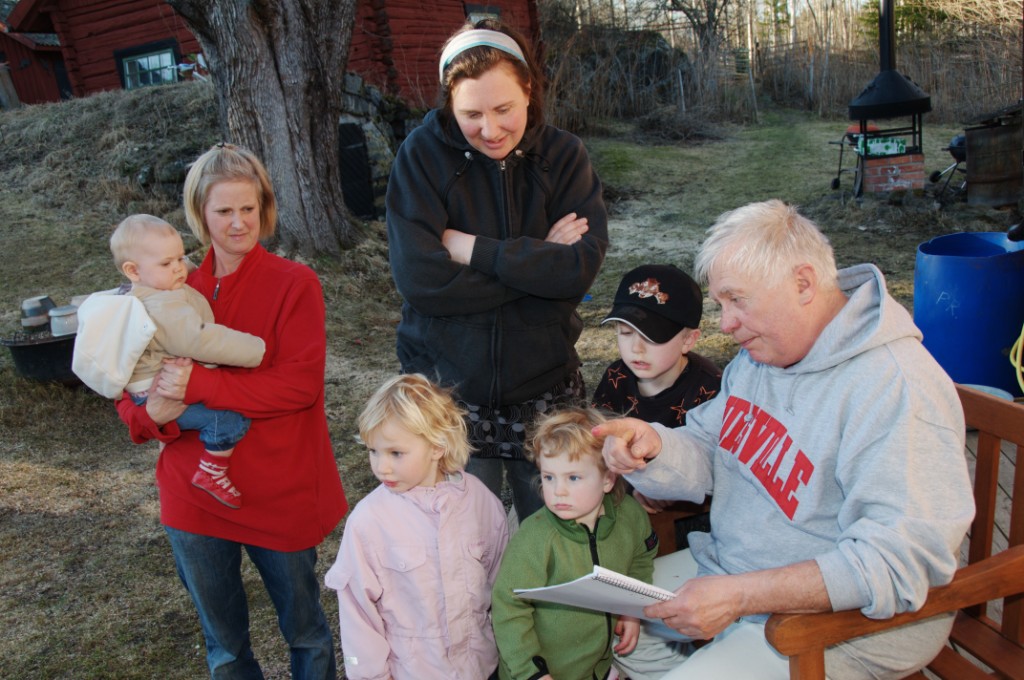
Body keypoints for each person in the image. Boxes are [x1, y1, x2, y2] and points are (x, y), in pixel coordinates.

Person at [598, 199, 975, 680]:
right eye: (720, 304)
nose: (725, 324)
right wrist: (652, 443)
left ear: (802, 284)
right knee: (602, 631)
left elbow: (897, 562)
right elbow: (710, 445)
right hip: (732, 573)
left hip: (848, 625)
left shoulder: (896, 388)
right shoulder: (763, 356)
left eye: (738, 300)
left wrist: (741, 596)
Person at [115, 143, 347, 679]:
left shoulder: (294, 282)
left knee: (306, 633)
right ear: (200, 214)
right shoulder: (163, 287)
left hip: (278, 486)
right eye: (224, 211)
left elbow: (299, 386)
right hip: (192, 493)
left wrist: (204, 384)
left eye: (249, 208)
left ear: (264, 208)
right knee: (223, 647)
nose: (239, 223)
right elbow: (129, 398)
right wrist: (158, 414)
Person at [385, 18, 609, 521]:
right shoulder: (420, 157)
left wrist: (472, 249)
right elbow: (422, 280)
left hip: (545, 384)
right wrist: (536, 267)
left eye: (504, 109)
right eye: (471, 114)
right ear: (448, 104)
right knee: (461, 542)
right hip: (449, 389)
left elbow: (577, 271)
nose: (490, 130)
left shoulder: (563, 157)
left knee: (555, 530)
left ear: (529, 89)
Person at [325, 373, 509, 680]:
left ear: (437, 446)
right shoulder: (369, 521)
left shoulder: (479, 501)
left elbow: (499, 579)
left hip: (480, 668)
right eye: (373, 451)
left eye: (396, 453)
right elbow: (358, 614)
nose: (381, 467)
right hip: (414, 672)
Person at [76, 214, 265, 509]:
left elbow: (176, 274)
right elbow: (198, 339)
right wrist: (255, 349)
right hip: (160, 390)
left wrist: (177, 267)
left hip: (145, 392)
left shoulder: (147, 289)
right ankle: (212, 471)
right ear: (133, 270)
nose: (178, 268)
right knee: (229, 418)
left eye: (181, 257)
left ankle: (172, 444)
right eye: (167, 264)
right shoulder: (161, 304)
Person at [491, 407, 658, 680]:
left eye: (573, 477)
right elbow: (508, 607)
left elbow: (642, 556)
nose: (558, 491)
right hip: (542, 672)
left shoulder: (630, 515)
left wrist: (631, 610)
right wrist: (531, 673)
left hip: (598, 666)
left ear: (607, 479)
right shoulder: (535, 539)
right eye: (549, 477)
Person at [592, 263, 721, 428]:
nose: (636, 348)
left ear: (688, 340)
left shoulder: (710, 391)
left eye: (652, 336)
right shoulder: (616, 377)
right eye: (626, 332)